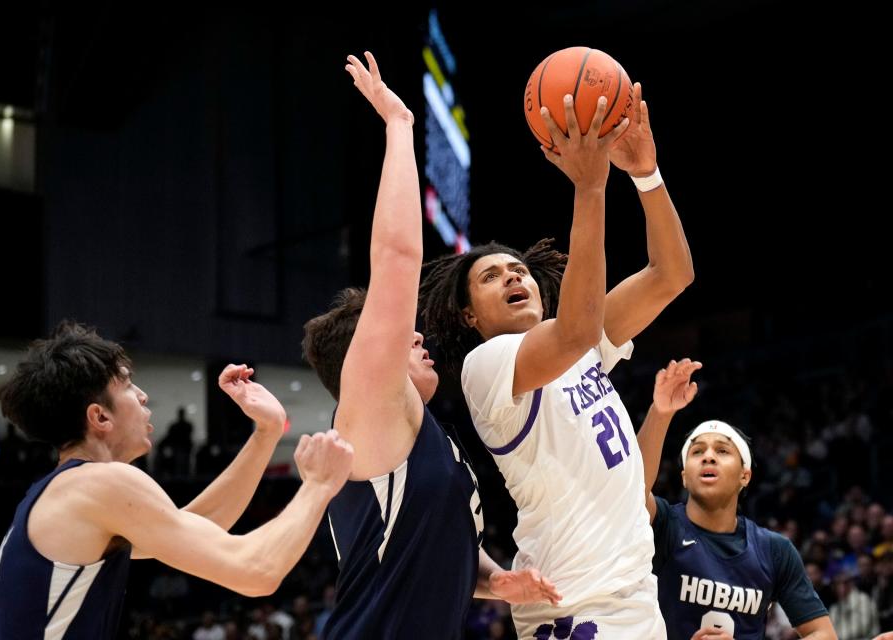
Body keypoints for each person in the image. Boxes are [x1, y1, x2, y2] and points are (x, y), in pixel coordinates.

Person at [419, 83, 692, 638]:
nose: (512, 276)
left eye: (516, 269)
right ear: (470, 316)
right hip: (575, 607)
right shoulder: (488, 366)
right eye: (490, 278)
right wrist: (590, 188)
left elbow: (672, 275)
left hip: (635, 594)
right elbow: (574, 330)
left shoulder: (581, 343)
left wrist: (646, 174)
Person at [301, 52, 559, 639]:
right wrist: (398, 127)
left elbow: (431, 549)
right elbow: (396, 258)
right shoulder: (365, 410)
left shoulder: (419, 435)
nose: (416, 334)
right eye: (396, 333)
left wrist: (495, 581)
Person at [0, 321, 353, 639]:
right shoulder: (97, 485)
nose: (143, 395)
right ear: (99, 417)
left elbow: (203, 525)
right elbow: (256, 571)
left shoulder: (66, 493)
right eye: (128, 385)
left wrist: (266, 433)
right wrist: (317, 488)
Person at [637, 358, 837, 639]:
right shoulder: (666, 524)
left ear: (745, 476)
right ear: (684, 476)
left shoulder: (774, 550)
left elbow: (823, 633)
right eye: (697, 452)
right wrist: (660, 413)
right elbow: (631, 490)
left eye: (722, 451)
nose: (708, 455)